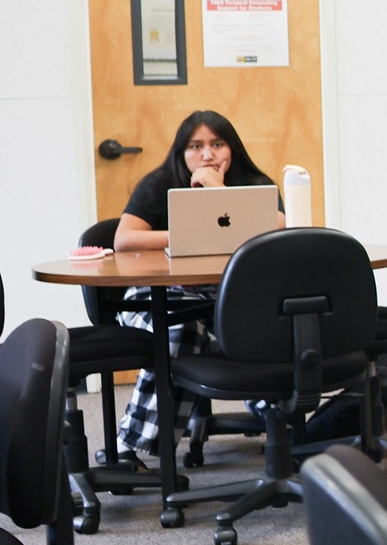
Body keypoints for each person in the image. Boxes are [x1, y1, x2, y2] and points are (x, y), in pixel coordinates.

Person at [110, 111, 284, 456]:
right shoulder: (158, 183)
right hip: (156, 297)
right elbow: (123, 240)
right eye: (196, 146)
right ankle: (136, 447)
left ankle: (275, 417)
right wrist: (187, 234)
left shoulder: (254, 183)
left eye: (217, 144)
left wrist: (217, 191)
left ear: (232, 149)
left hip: (225, 298)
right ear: (182, 152)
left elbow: (277, 228)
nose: (207, 155)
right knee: (181, 331)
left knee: (260, 326)